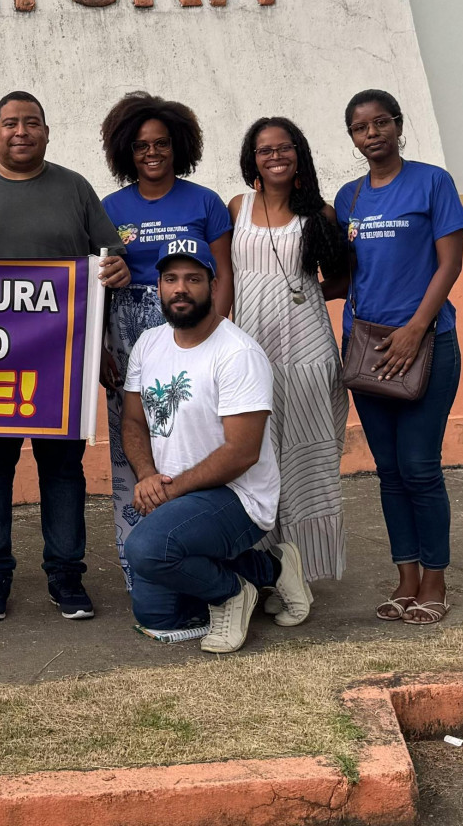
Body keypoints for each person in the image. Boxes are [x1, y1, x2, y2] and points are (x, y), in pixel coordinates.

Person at [0, 91, 126, 622]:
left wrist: (115, 273)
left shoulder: (75, 188)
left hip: (59, 365)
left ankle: (66, 575)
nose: (21, 131)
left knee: (62, 473)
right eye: (10, 123)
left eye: (31, 122)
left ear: (46, 131)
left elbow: (109, 261)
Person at [120, 240, 312, 654]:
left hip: (238, 495)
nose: (181, 289)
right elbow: (133, 421)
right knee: (157, 615)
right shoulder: (149, 343)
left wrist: (170, 490)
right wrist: (147, 476)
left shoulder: (237, 353)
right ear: (159, 287)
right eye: (170, 279)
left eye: (193, 278)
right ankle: (270, 567)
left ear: (213, 284)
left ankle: (232, 593)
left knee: (148, 550)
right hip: (176, 493)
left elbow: (242, 453)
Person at [339, 89, 463, 627]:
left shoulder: (432, 182)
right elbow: (346, 275)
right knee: (389, 471)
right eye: (360, 128)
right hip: (367, 349)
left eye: (380, 122)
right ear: (352, 138)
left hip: (425, 343)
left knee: (419, 466)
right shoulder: (347, 197)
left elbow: (449, 264)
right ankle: (406, 577)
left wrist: (417, 329)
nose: (372, 134)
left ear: (397, 125)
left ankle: (435, 579)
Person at [98, 92, 233, 613]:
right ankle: (145, 571)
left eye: (161, 143)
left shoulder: (205, 202)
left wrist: (213, 335)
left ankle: (201, 564)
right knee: (132, 452)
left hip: (191, 326)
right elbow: (100, 284)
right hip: (128, 337)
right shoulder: (111, 209)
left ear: (179, 146)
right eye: (140, 146)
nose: (151, 153)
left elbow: (222, 278)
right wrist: (102, 349)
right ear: (125, 153)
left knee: (194, 443)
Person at [229, 118, 351, 600]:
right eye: (264, 150)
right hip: (250, 352)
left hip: (306, 352)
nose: (275, 156)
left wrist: (300, 293)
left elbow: (341, 280)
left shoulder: (319, 213)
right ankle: (262, 571)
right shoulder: (237, 207)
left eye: (284, 148)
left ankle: (306, 570)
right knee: (253, 462)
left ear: (298, 153)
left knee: (305, 460)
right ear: (251, 158)